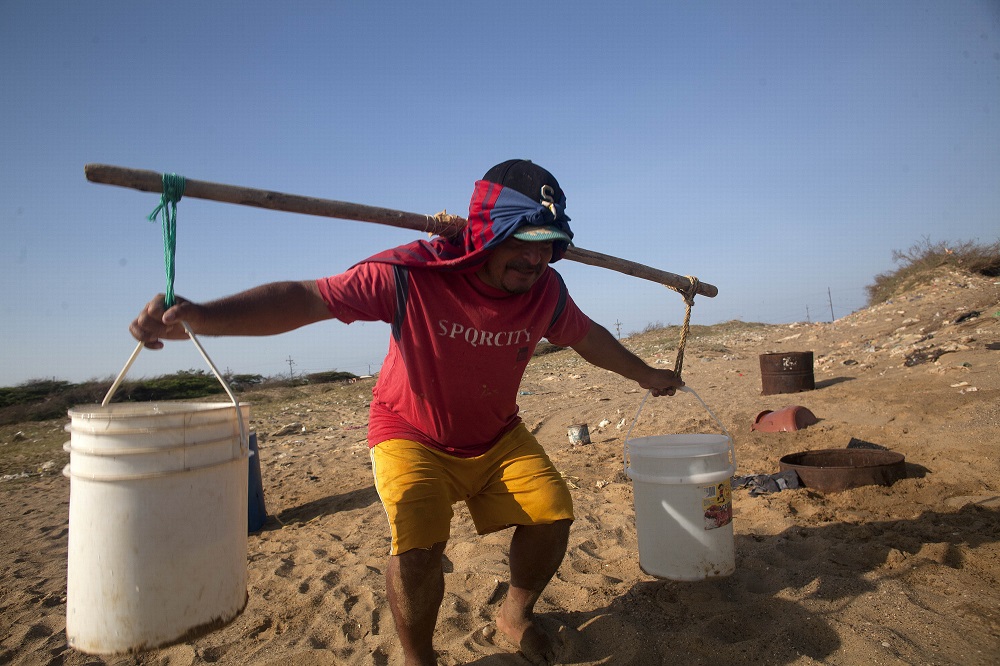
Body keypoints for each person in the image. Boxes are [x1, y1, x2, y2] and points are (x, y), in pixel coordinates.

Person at [130, 159, 683, 665]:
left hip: (496, 435)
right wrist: (202, 317)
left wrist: (648, 375)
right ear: (488, 233)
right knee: (418, 548)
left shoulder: (548, 292)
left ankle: (515, 615)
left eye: (550, 244)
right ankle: (419, 658)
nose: (537, 258)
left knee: (552, 514)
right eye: (525, 240)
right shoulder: (413, 273)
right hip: (410, 432)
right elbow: (307, 298)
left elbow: (590, 339)